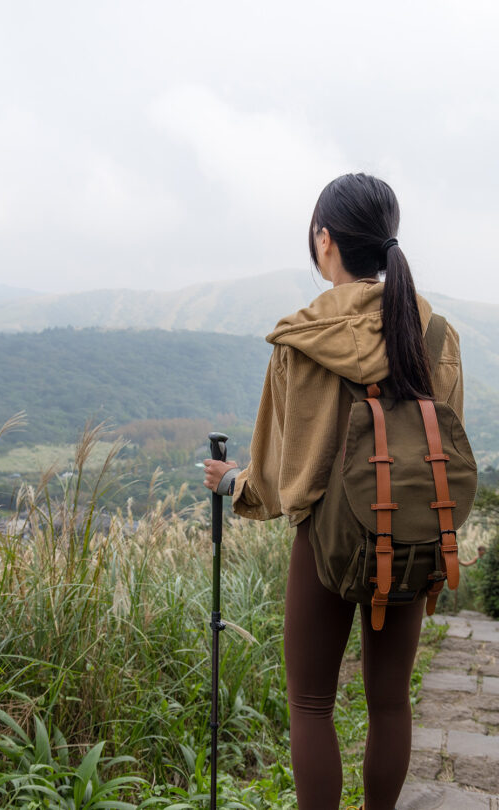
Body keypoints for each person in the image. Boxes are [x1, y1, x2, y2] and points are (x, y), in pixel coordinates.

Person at [203, 173, 464, 810]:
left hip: (324, 541)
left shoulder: (300, 338)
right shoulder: (434, 333)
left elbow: (276, 477)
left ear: (325, 241)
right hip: (410, 537)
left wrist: (233, 484)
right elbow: (448, 442)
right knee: (390, 703)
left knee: (312, 703)